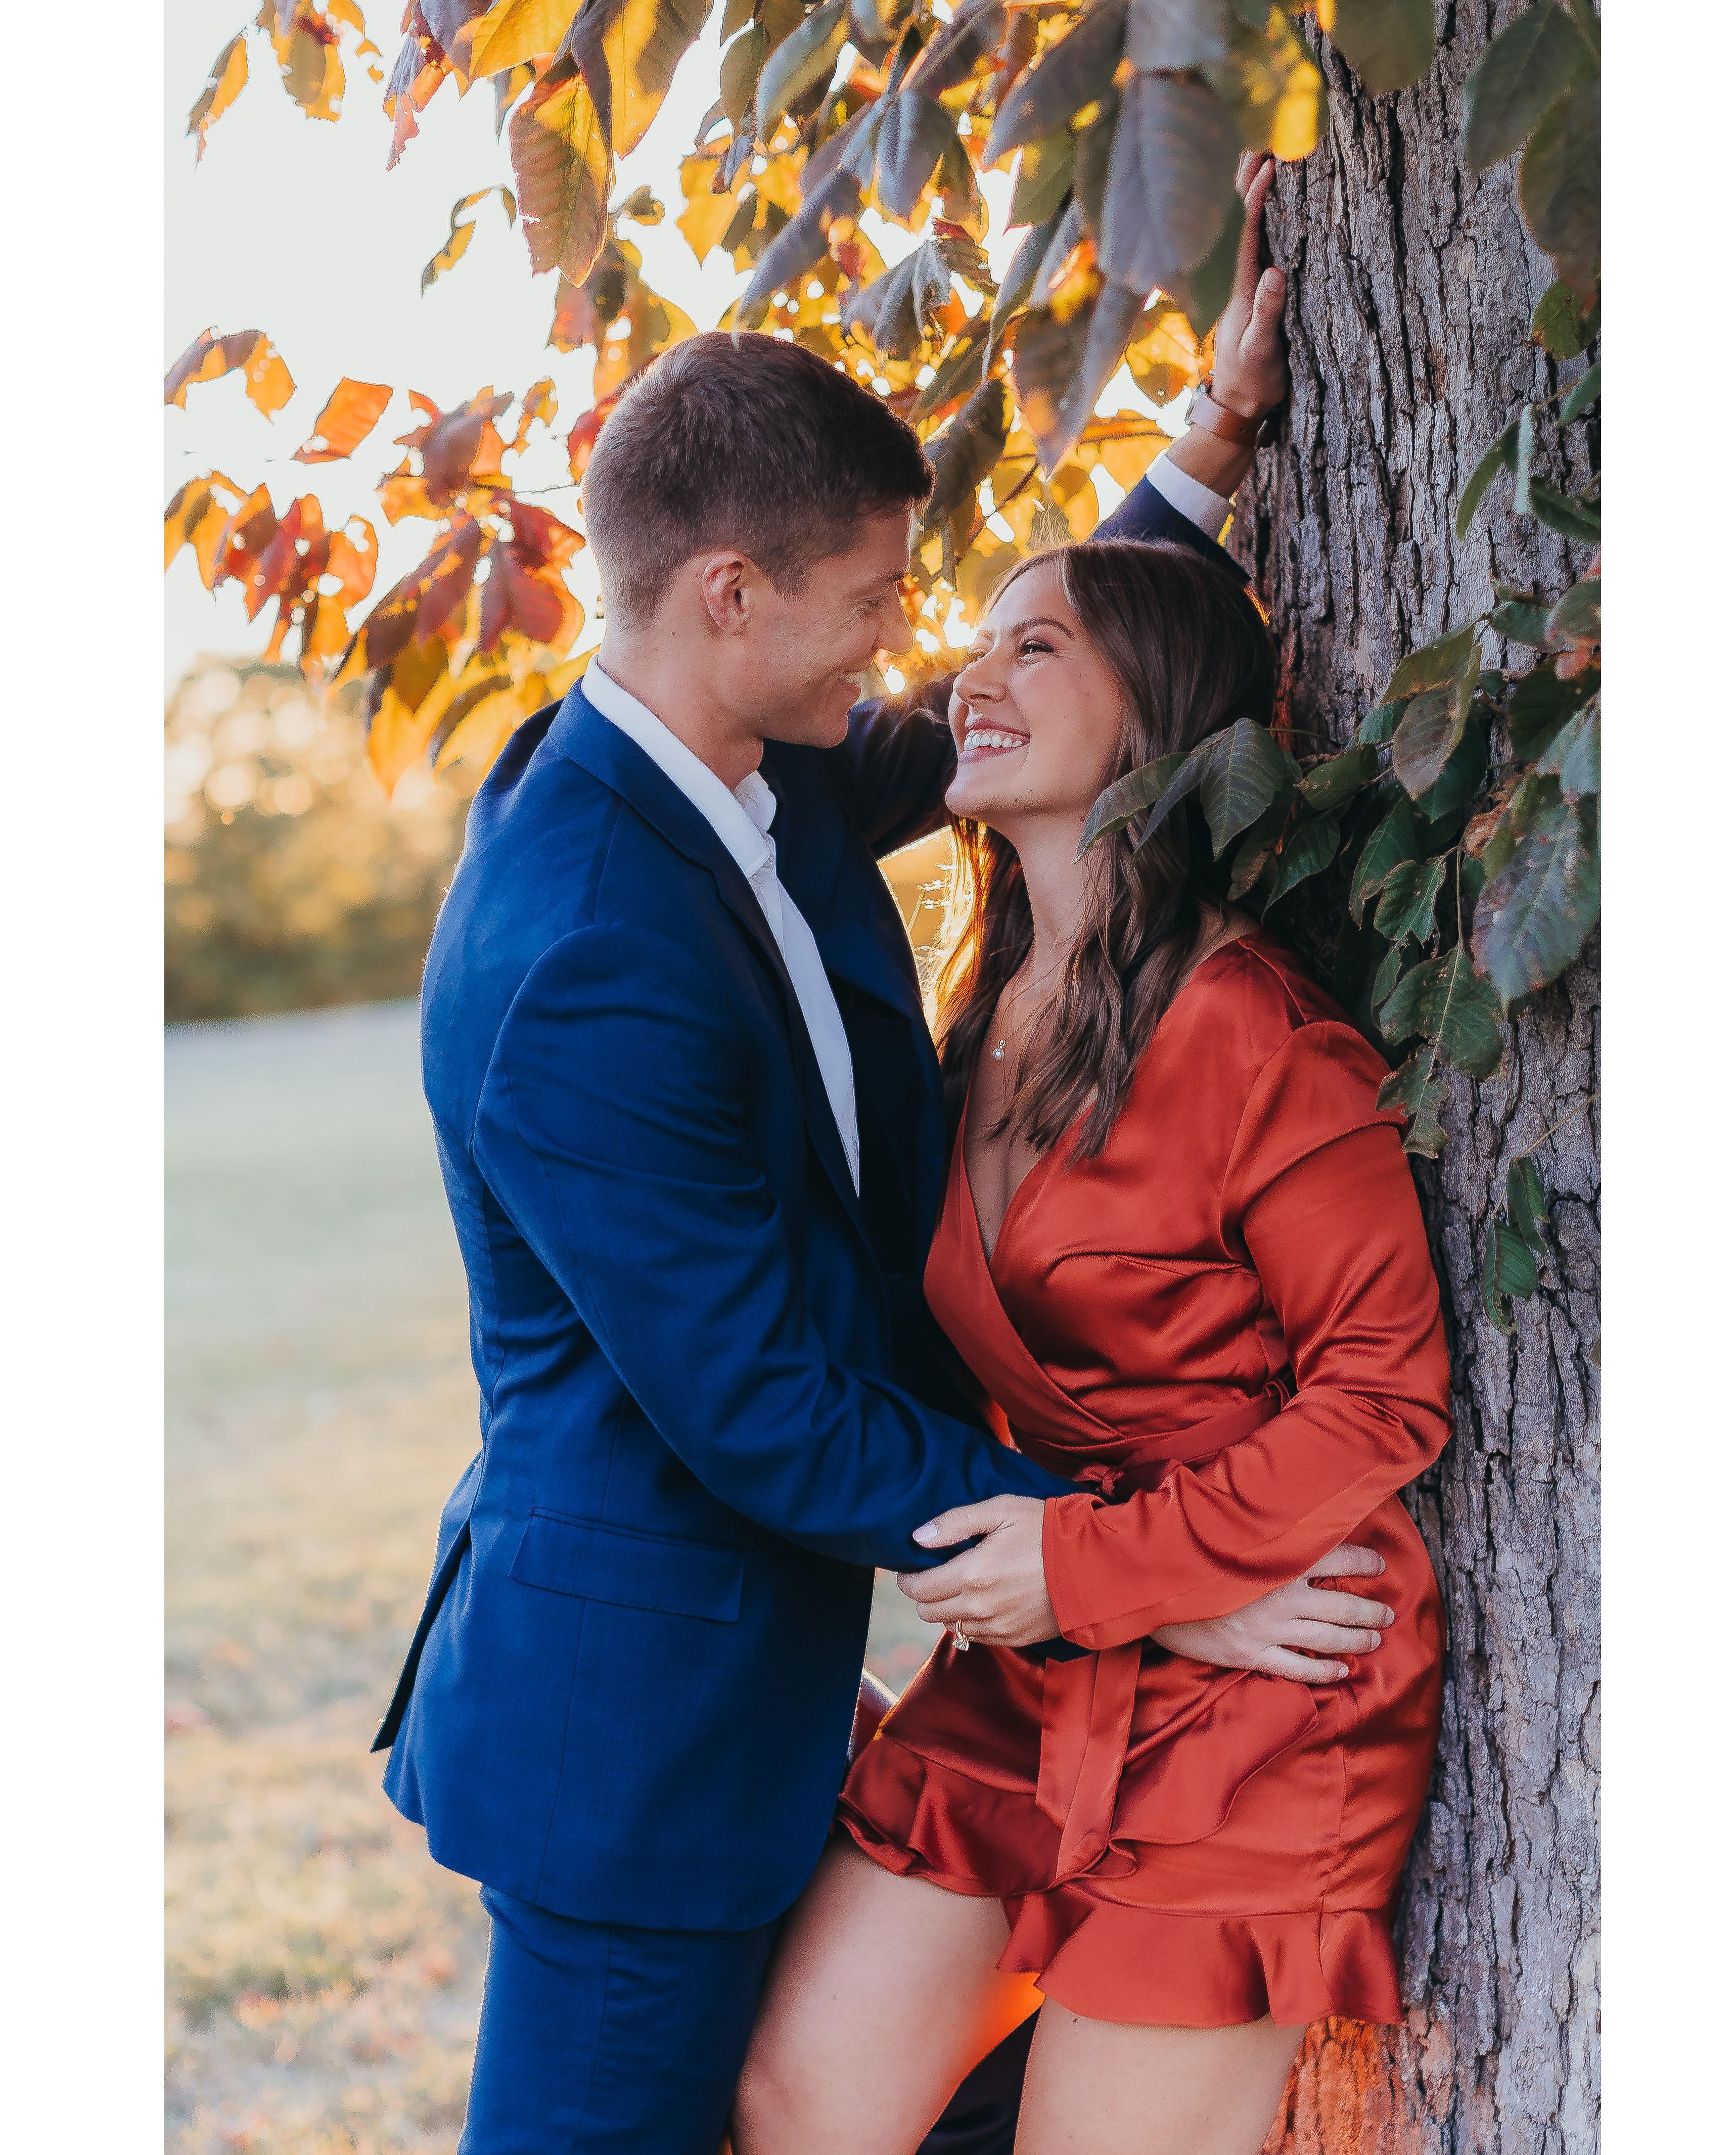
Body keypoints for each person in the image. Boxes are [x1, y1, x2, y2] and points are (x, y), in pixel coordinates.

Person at [370, 154, 1387, 2155]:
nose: (906, 648)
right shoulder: (585, 947)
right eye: (872, 604)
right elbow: (764, 1407)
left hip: (761, 1681)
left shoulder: (743, 762)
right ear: (729, 596)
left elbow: (1046, 713)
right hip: (636, 1727)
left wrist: (1204, 450)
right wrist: (1143, 1577)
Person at [732, 156, 1452, 2155]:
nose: (971, 677)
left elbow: (1385, 1391)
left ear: (1158, 719)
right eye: (975, 643)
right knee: (795, 2100)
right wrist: (1207, 432)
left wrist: (1096, 1568)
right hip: (1057, 1658)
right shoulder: (979, 1017)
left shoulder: (1254, 1034)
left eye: (1033, 649)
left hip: (1268, 1679)